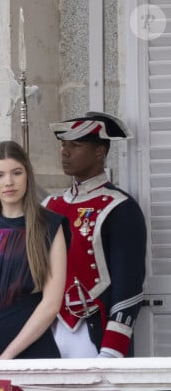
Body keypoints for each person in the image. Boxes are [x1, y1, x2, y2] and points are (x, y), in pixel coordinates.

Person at [43, 111, 147, 358]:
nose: (65, 152)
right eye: (63, 145)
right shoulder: (49, 206)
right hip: (47, 330)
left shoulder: (120, 207)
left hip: (94, 334)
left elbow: (128, 286)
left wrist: (112, 350)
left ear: (100, 151)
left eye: (75, 145)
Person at [0, 140, 69, 359]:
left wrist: (5, 360)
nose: (8, 182)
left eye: (16, 172)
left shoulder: (50, 226)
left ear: (27, 175)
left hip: (33, 357)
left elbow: (50, 305)